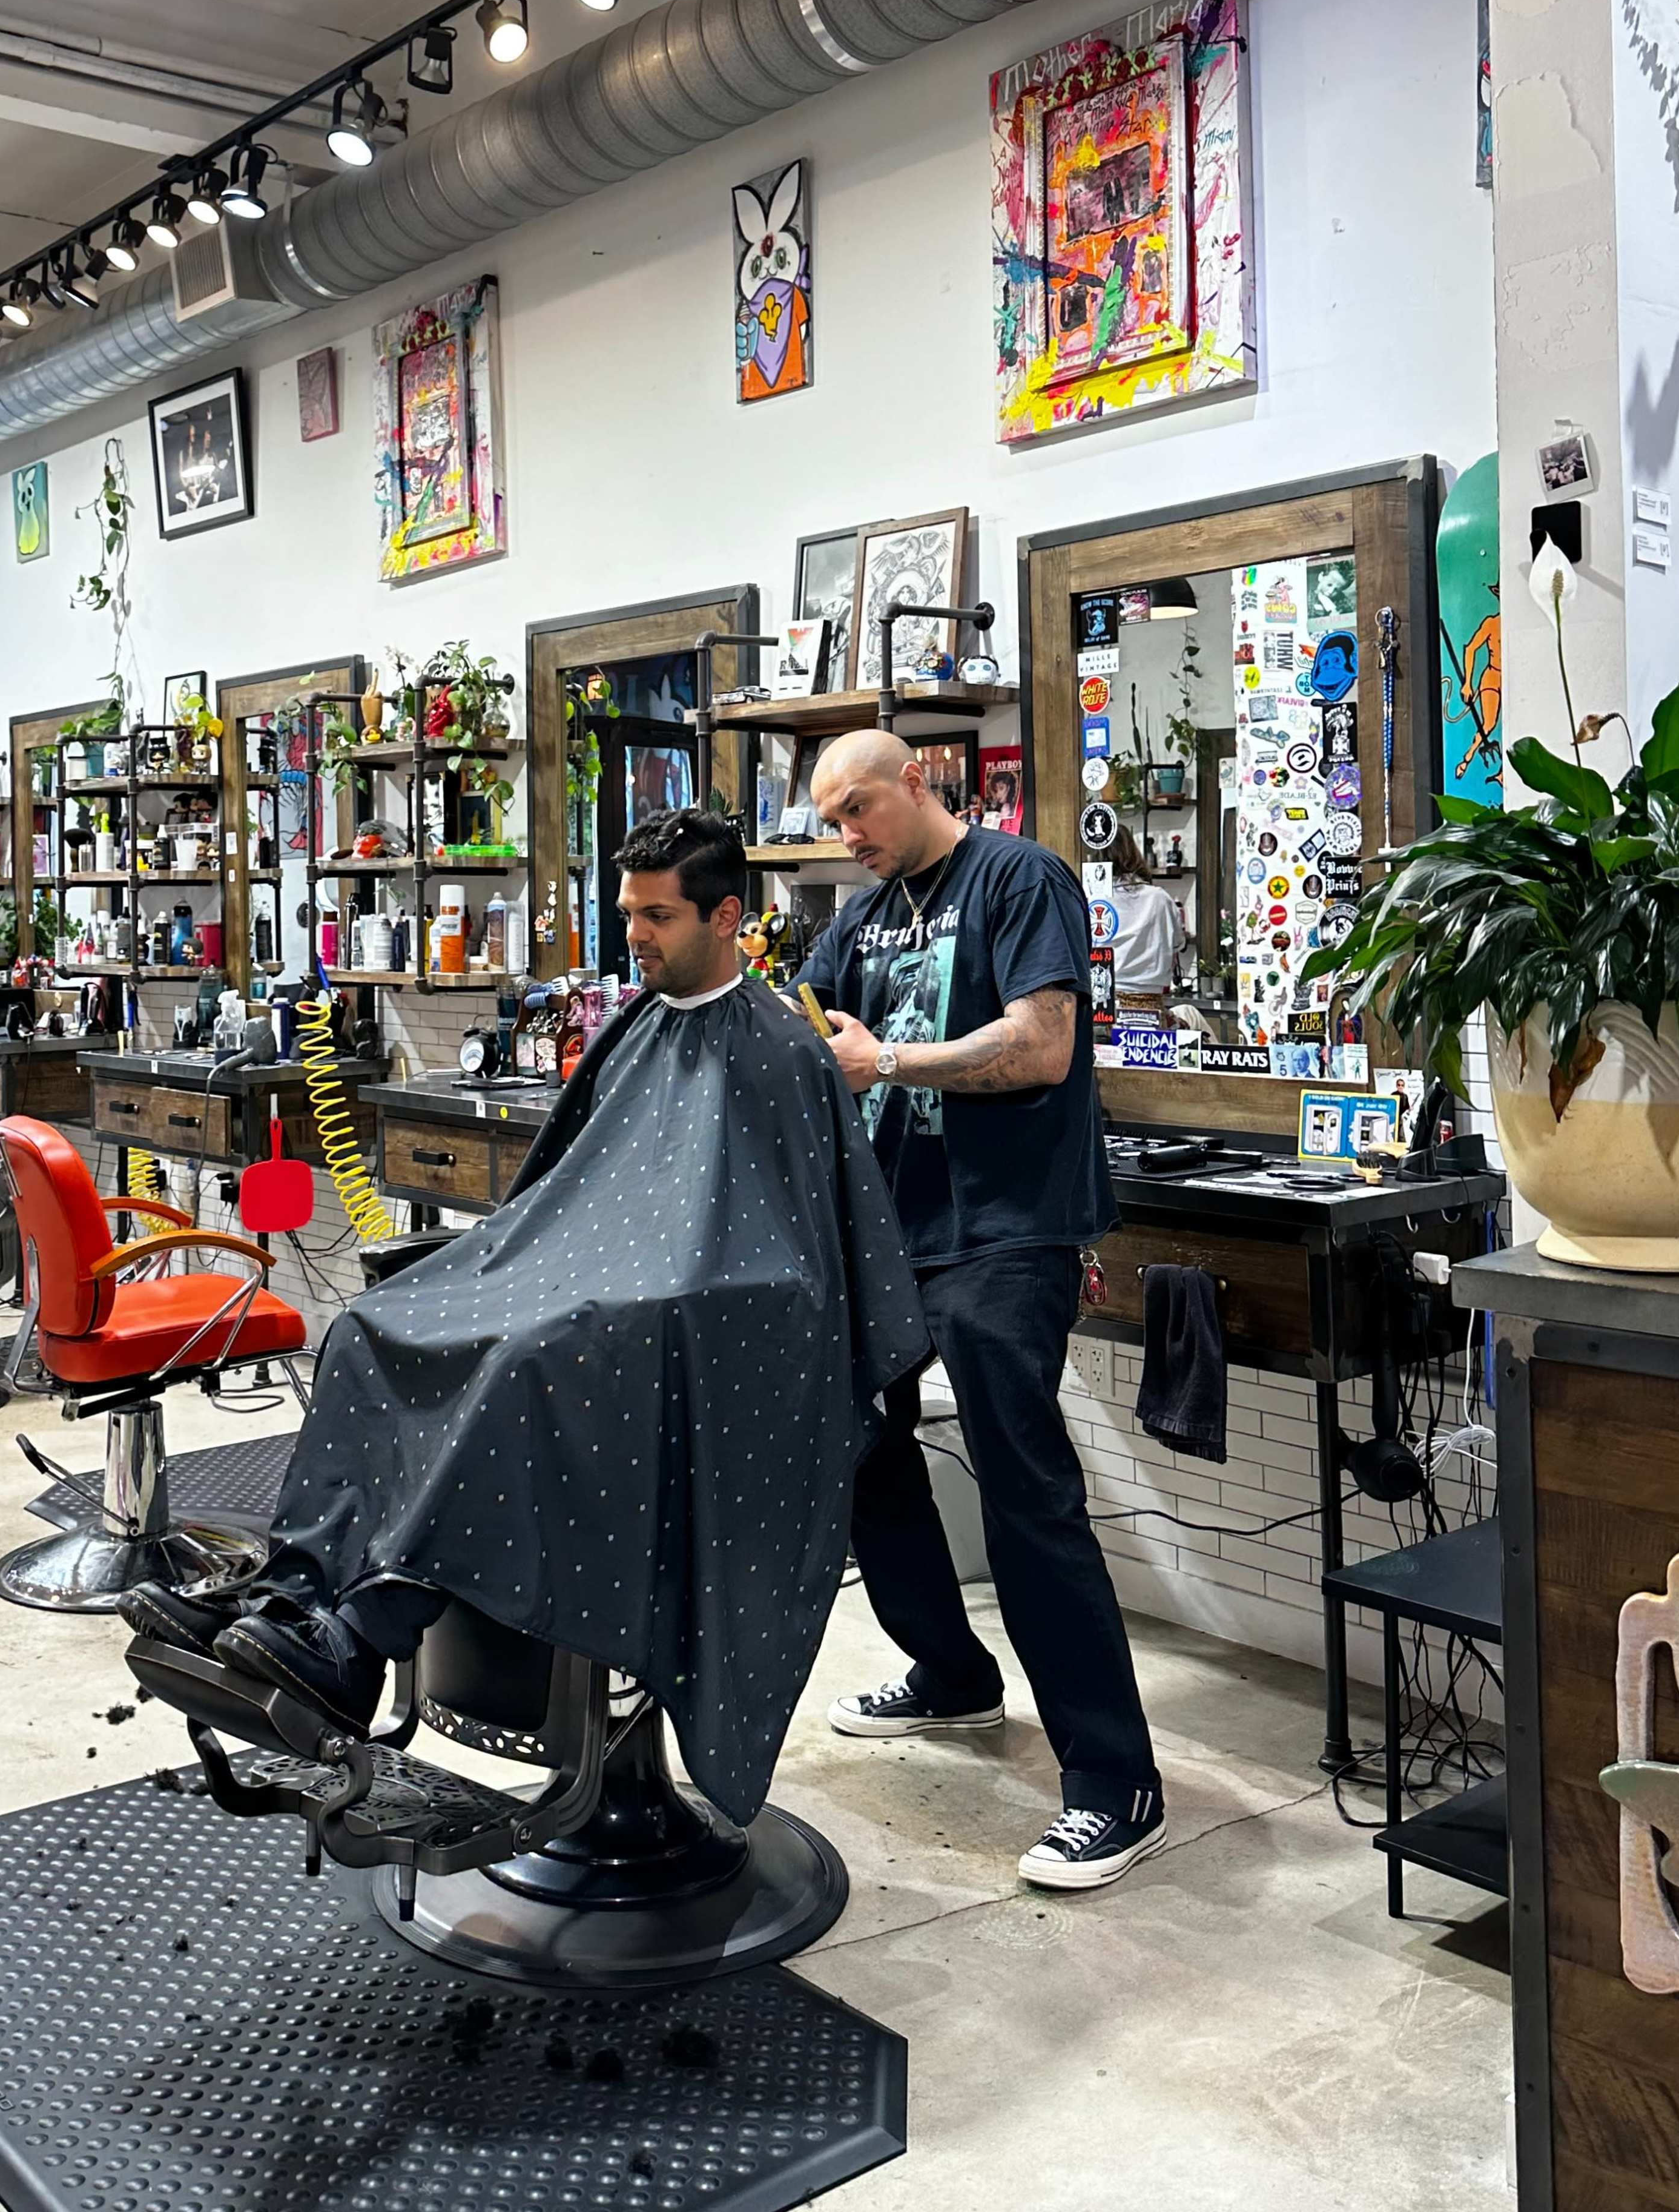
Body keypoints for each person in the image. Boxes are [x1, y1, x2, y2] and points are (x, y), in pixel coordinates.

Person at [124, 810, 927, 1827]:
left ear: (729, 917)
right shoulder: (644, 1024)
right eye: (629, 913)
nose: (635, 936)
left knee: (522, 1361)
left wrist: (632, 1301)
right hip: (599, 1299)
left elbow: (790, 1264)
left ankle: (360, 1636)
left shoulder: (782, 1052)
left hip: (699, 1346)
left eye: (659, 917)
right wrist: (549, 1276)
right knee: (373, 1328)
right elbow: (569, 1194)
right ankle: (288, 1606)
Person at [802, 728, 1166, 1891]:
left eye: (859, 808)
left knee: (1026, 1491)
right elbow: (810, 1031)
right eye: (830, 823)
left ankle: (1117, 1785)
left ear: (919, 780)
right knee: (856, 1444)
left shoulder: (1019, 877)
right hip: (892, 1235)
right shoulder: (864, 917)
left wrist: (892, 1063)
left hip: (1007, 1232)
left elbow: (1045, 1047)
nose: (846, 836)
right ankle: (950, 1669)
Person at [1107, 824, 1185, 1006]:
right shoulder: (1160, 898)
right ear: (1133, 851)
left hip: (1104, 1004)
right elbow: (1178, 946)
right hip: (1151, 1002)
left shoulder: (1091, 900)